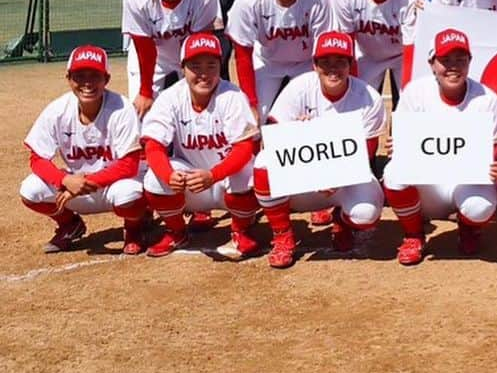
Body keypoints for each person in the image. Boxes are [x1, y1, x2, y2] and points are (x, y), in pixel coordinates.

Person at [253, 30, 387, 268]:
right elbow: (272, 143)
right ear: (314, 65)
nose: (332, 68)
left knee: (366, 214)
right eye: (325, 62)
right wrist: (297, 134)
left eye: (340, 61)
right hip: (303, 180)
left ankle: (342, 220)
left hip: (346, 179)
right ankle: (283, 235)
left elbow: (366, 153)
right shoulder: (298, 88)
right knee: (263, 163)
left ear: (350, 64)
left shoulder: (369, 97)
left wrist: (334, 175)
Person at [382, 28, 497, 265]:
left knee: (481, 208)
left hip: (466, 182)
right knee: (393, 173)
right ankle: (413, 235)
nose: (453, 66)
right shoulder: (416, 92)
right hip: (430, 185)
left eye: (460, 59)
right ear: (432, 63)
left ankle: (468, 228)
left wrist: (493, 163)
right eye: (445, 60)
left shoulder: (486, 99)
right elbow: (404, 142)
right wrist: (398, 146)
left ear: (470, 62)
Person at [140, 33, 261, 259]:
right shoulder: (170, 97)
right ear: (182, 67)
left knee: (251, 171)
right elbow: (153, 145)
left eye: (211, 65)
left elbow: (244, 149)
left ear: (220, 66)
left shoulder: (233, 96)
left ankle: (241, 229)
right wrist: (168, 175)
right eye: (195, 66)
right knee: (153, 178)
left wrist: (213, 175)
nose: (204, 73)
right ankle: (177, 232)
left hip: (224, 178)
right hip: (191, 181)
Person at [19, 45, 147, 255]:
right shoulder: (57, 110)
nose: (87, 83)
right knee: (30, 191)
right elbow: (37, 159)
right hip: (74, 187)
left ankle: (134, 228)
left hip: (112, 185)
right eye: (80, 76)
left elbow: (129, 165)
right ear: (68, 78)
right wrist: (64, 180)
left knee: (130, 193)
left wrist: (85, 182)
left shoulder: (122, 108)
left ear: (106, 79)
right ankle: (70, 225)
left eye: (95, 76)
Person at [227, 0, 335, 121]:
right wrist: (251, 102)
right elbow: (242, 53)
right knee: (252, 119)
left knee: (314, 117)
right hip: (267, 62)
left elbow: (324, 50)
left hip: (306, 63)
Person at [122, 0, 221, 116]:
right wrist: (145, 92)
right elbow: (145, 49)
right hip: (153, 59)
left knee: (198, 111)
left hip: (191, 57)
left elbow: (200, 45)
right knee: (141, 115)